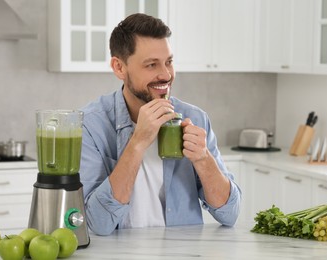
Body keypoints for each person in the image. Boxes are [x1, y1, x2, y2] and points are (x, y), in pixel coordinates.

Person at [79, 13, 241, 236]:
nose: (165, 74)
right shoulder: (90, 125)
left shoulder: (195, 118)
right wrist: (137, 143)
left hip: (183, 251)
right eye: (151, 65)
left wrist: (203, 159)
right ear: (119, 68)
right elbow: (98, 223)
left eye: (169, 62)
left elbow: (230, 214)